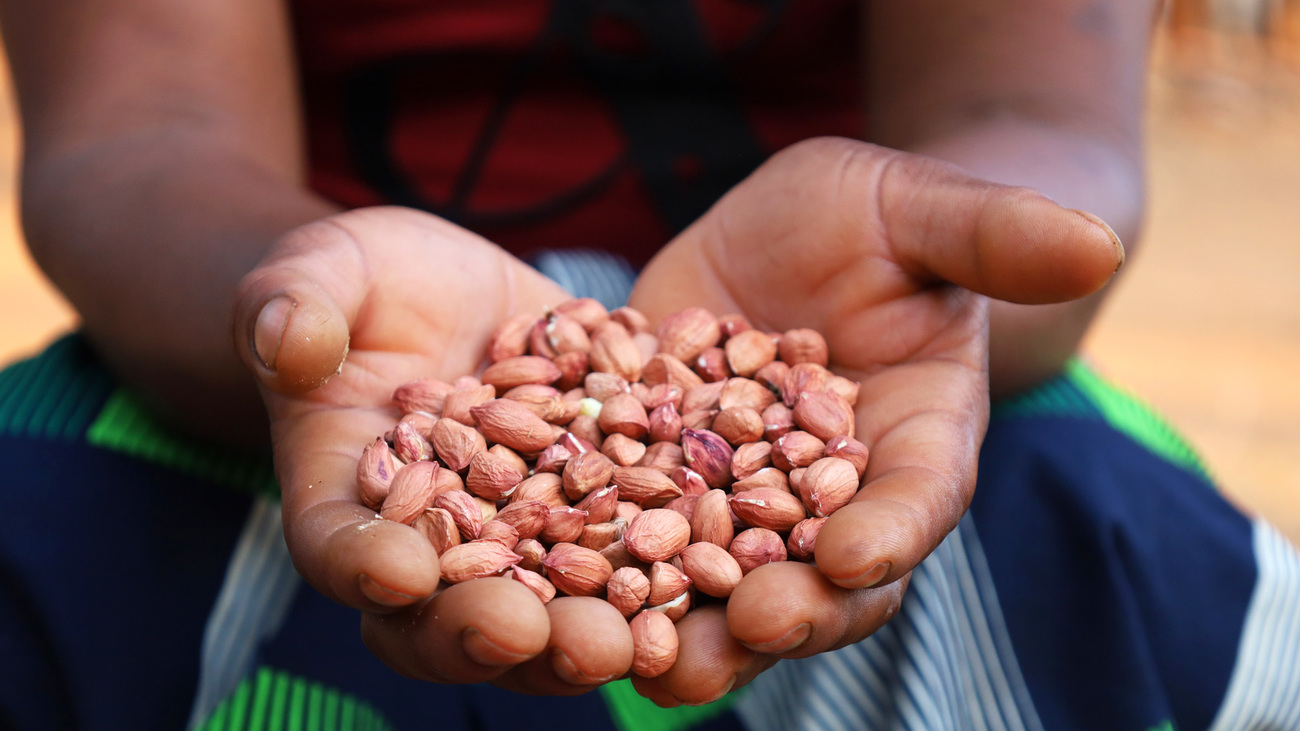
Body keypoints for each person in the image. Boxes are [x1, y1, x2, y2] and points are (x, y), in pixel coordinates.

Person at [1, 1, 1297, 729]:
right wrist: (298, 299)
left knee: (1151, 586)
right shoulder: (377, 377)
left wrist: (944, 242)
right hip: (278, 341)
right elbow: (135, 137)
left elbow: (1034, 121)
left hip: (896, 345)